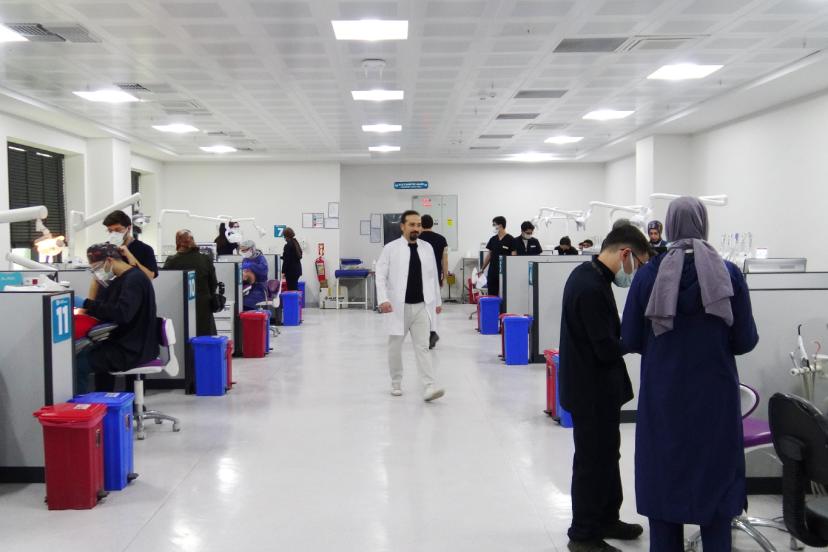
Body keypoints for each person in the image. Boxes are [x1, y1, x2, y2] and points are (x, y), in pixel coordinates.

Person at [621, 197, 759, 552]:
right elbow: (745, 340)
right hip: (715, 399)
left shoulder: (648, 275)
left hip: (663, 397)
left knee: (664, 486)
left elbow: (630, 338)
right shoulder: (729, 274)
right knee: (716, 491)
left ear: (667, 227)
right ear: (703, 224)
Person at [559, 224, 651, 552]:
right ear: (625, 253)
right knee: (592, 461)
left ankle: (607, 518)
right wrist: (637, 338)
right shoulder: (590, 287)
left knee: (608, 454)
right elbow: (605, 348)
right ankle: (583, 535)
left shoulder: (592, 275)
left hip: (597, 387)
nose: (635, 272)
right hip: (590, 391)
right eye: (639, 264)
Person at [375, 210, 444, 402]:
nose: (416, 228)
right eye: (412, 225)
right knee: (395, 347)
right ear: (402, 226)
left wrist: (437, 302)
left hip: (422, 305)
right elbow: (380, 275)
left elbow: (433, 276)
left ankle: (429, 386)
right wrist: (383, 299)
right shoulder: (390, 248)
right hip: (399, 307)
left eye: (418, 225)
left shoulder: (427, 248)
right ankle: (396, 382)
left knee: (423, 347)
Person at [74, 243, 159, 392]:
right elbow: (107, 307)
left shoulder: (134, 280)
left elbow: (121, 314)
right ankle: (99, 400)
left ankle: (81, 404)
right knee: (82, 354)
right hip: (127, 341)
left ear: (109, 260)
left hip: (132, 348)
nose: (97, 273)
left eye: (97, 268)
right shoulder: (122, 279)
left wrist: (86, 303)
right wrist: (87, 306)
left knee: (79, 363)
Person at [163, 229, 218, 336]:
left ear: (177, 242)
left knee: (184, 337)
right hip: (203, 306)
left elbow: (167, 284)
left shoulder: (172, 261)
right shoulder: (205, 259)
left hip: (180, 307)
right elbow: (213, 284)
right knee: (204, 338)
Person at [417, 214, 448, 349]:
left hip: (418, 277)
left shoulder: (417, 239)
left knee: (420, 307)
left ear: (421, 224)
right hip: (434, 277)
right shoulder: (441, 239)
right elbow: (444, 260)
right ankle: (432, 332)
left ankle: (426, 334)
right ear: (432, 224)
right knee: (433, 305)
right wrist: (444, 277)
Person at [479, 216, 515, 297]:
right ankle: (492, 305)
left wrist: (512, 272)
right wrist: (482, 268)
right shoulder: (493, 239)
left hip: (505, 272)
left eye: (494, 224)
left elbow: (513, 257)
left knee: (505, 294)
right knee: (492, 294)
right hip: (493, 271)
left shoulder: (511, 239)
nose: (493, 227)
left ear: (500, 225)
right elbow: (489, 255)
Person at [240, 239, 268, 311]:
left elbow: (263, 272)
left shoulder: (261, 258)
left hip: (259, 288)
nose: (244, 252)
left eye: (245, 250)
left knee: (247, 301)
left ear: (252, 249)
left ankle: (251, 315)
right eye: (242, 250)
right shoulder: (245, 259)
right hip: (248, 287)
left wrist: (251, 266)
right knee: (239, 300)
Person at [281, 227, 303, 291]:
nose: (284, 238)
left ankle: (294, 298)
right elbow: (293, 256)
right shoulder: (295, 242)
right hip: (297, 270)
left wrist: (283, 271)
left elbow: (286, 260)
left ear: (286, 236)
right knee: (294, 288)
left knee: (291, 290)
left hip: (291, 272)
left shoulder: (288, 245)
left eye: (284, 236)